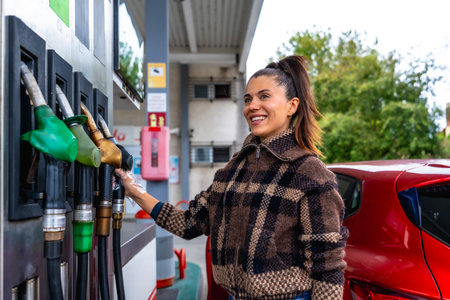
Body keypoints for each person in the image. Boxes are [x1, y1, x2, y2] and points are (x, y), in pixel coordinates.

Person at [115, 55, 348, 300]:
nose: (252, 106)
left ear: (292, 106)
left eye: (264, 96)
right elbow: (189, 223)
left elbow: (328, 267)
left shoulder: (309, 172)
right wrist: (133, 191)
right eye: (248, 99)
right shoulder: (233, 170)